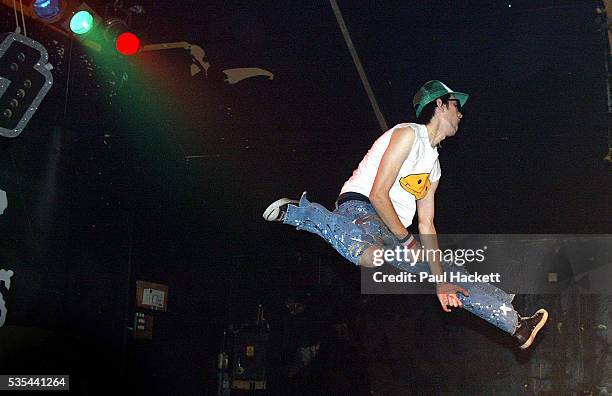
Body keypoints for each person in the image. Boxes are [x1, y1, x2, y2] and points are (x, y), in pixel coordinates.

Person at [263, 80, 548, 349]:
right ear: (439, 105)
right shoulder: (408, 134)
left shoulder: (433, 167)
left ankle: (515, 324)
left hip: (394, 231)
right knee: (370, 255)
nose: (460, 114)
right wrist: (406, 240)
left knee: (449, 274)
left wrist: (439, 282)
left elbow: (427, 224)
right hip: (361, 207)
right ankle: (301, 212)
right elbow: (378, 194)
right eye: (455, 106)